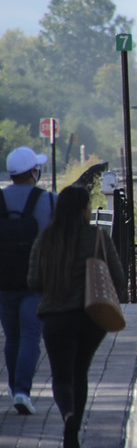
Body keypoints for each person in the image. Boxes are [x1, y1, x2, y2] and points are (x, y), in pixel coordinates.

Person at [27, 185, 126, 448]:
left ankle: (68, 415)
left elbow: (33, 281)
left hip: (55, 319)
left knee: (61, 377)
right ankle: (75, 430)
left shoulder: (45, 239)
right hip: (91, 318)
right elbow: (118, 277)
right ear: (84, 210)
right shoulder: (98, 237)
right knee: (79, 372)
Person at [1, 147, 56, 416]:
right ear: (34, 172)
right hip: (36, 282)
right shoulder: (47, 200)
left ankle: (14, 387)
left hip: (4, 281)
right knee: (30, 336)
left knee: (12, 337)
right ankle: (22, 390)